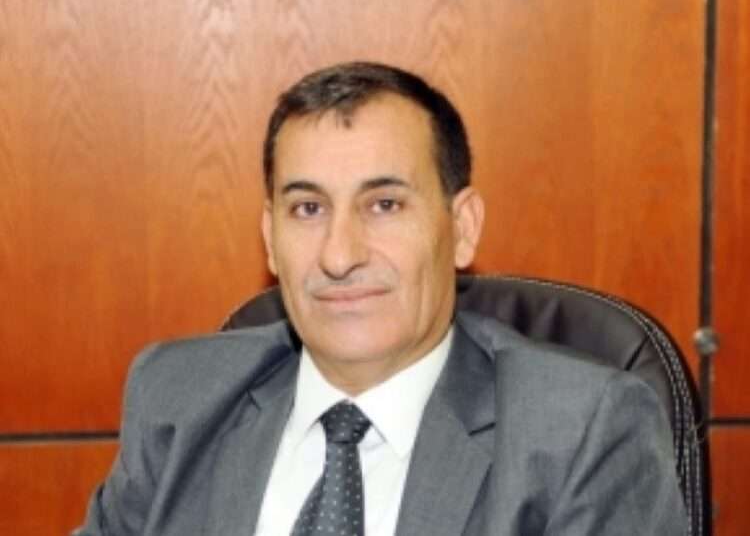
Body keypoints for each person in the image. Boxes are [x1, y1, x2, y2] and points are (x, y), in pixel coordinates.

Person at [76, 62, 687, 535]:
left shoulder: (580, 432)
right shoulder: (178, 400)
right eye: (308, 209)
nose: (340, 255)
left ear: (462, 227)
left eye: (385, 205)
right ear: (270, 238)